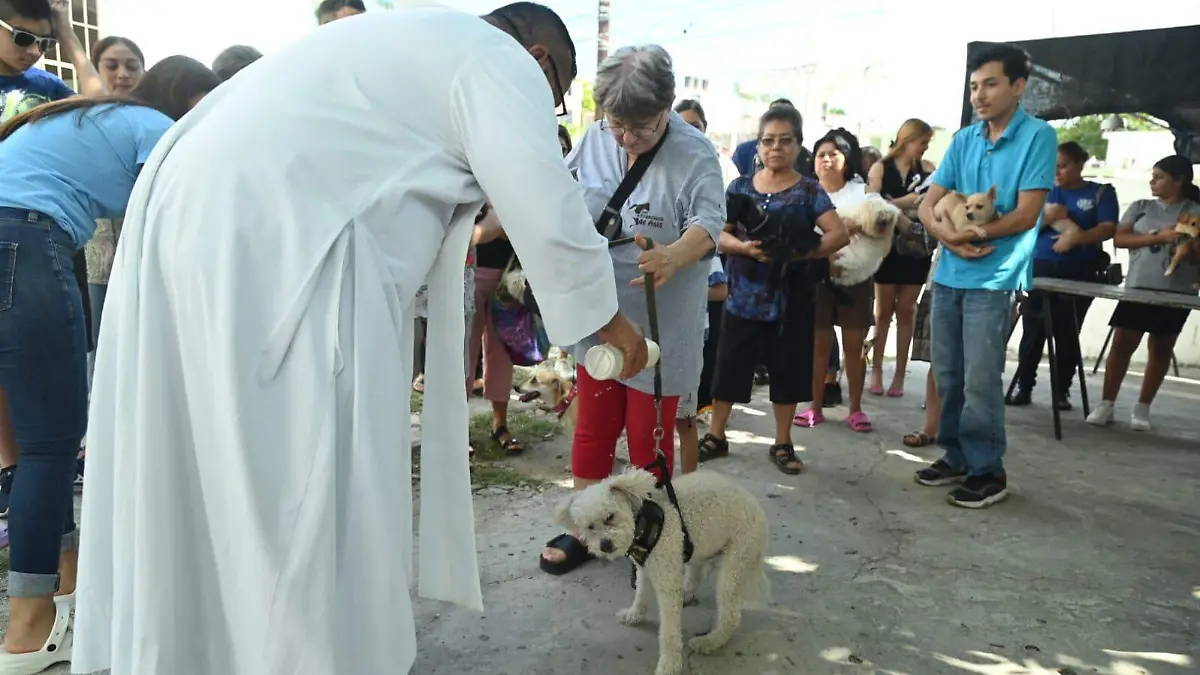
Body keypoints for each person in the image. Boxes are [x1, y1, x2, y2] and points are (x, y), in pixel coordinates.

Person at [72, 6, 649, 675]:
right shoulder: (498, 61)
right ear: (542, 60)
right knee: (298, 471)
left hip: (199, 210)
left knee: (202, 459)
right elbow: (544, 202)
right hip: (280, 235)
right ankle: (299, 653)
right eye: (551, 105)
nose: (544, 119)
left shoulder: (407, 43)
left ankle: (200, 648)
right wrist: (610, 322)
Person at [0, 54, 219, 674]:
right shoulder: (155, 128)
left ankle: (66, 596)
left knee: (28, 446)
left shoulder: (87, 117)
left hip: (11, 240)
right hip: (24, 243)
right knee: (51, 447)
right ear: (184, 100)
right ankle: (26, 633)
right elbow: (183, 232)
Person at [540, 43, 722, 575]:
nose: (624, 138)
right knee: (594, 427)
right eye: (616, 124)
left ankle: (651, 539)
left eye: (639, 128)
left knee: (647, 439)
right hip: (601, 321)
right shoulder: (596, 139)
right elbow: (562, 204)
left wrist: (673, 255)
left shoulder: (695, 154)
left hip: (659, 329)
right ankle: (585, 528)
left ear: (667, 109)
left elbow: (709, 225)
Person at [916, 42, 1057, 509]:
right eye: (974, 86)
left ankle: (987, 470)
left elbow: (1028, 213)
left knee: (980, 378)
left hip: (994, 279)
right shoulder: (963, 140)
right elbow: (926, 204)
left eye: (991, 84)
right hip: (950, 273)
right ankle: (956, 456)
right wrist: (946, 237)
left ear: (1018, 86)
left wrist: (974, 232)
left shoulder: (1038, 137)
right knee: (950, 373)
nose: (979, 95)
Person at [701, 105, 848, 474]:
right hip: (741, 298)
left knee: (787, 373)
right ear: (758, 146)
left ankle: (783, 443)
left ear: (799, 145)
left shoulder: (809, 191)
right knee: (728, 370)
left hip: (790, 301)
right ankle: (716, 436)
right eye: (768, 141)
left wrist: (798, 253)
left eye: (785, 140)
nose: (775, 148)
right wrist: (744, 248)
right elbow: (718, 234)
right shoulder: (739, 187)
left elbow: (839, 234)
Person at [1088, 155, 1200, 431]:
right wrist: (1157, 237)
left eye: (1160, 176)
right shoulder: (1141, 207)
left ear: (1179, 180)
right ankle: (1106, 403)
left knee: (1161, 347)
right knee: (1122, 343)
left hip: (1177, 290)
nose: (1153, 181)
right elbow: (1120, 238)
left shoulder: (1195, 211)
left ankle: (1142, 407)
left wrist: (1189, 245)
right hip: (1138, 285)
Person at [1008, 141, 1118, 410]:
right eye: (1052, 167)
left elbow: (1107, 229)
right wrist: (1046, 220)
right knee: (1033, 329)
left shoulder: (1099, 193)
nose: (1057, 172)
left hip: (1079, 269)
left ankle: (1061, 390)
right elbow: (1015, 226)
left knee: (1067, 331)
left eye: (1064, 166)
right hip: (1040, 266)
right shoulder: (1040, 192)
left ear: (1080, 163)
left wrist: (1078, 238)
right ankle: (1024, 385)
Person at [795, 129, 884, 433]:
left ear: (847, 160)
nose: (827, 160)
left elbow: (882, 227)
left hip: (855, 278)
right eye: (821, 155)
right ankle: (814, 407)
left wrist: (851, 227)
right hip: (817, 278)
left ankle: (856, 409)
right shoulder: (804, 191)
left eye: (834, 154)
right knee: (818, 345)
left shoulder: (862, 193)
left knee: (854, 345)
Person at [84, 36, 147, 385]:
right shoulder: (84, 115)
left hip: (145, 245)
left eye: (131, 66)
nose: (122, 74)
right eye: (111, 65)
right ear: (97, 71)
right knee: (104, 335)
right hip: (100, 248)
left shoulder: (154, 116)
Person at [867, 118, 937, 398]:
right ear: (908, 139)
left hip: (916, 250)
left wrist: (895, 203)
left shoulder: (929, 169)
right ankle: (875, 370)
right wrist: (905, 203)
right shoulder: (880, 168)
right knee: (882, 312)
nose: (925, 148)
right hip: (887, 248)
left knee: (907, 311)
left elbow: (933, 201)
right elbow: (871, 203)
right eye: (922, 142)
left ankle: (899, 374)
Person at [731, 98, 813, 177]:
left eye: (785, 141)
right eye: (768, 141)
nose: (776, 146)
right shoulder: (743, 152)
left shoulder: (807, 158)